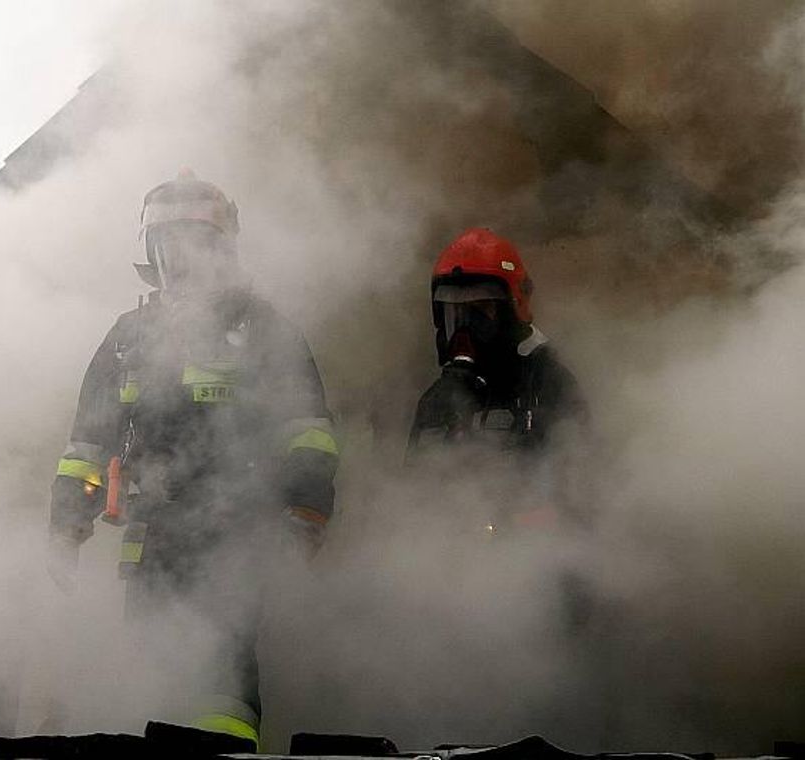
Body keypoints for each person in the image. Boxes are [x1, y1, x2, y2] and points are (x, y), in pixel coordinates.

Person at [46, 170, 339, 748]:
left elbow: (306, 432)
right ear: (151, 255)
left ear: (223, 249)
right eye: (167, 247)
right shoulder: (129, 338)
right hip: (151, 539)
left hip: (234, 535)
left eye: (195, 245)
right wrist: (65, 524)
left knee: (223, 675)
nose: (181, 262)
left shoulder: (263, 331)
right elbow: (88, 444)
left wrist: (304, 512)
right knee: (151, 670)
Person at [406, 227, 588, 534]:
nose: (465, 331)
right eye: (455, 315)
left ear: (513, 308)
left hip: (536, 560)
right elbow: (409, 495)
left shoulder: (547, 384)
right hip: (452, 564)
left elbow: (580, 493)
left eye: (480, 311)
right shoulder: (438, 399)